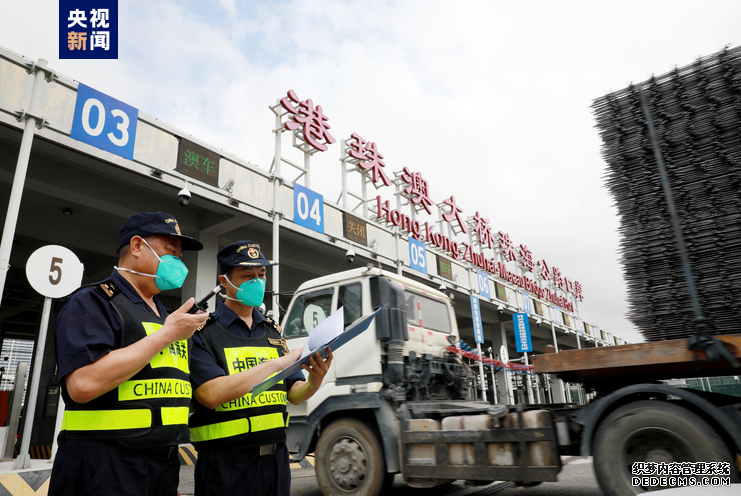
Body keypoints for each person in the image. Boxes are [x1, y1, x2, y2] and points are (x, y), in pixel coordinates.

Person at [48, 212, 210, 496]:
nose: (179, 263)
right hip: (105, 464)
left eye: (180, 257)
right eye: (171, 253)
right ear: (137, 247)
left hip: (163, 465)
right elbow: (82, 385)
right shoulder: (94, 302)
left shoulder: (168, 317)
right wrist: (167, 334)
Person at [189, 240, 333, 496]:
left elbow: (293, 392)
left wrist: (314, 381)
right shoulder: (202, 332)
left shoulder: (272, 331)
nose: (257, 281)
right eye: (248, 276)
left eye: (261, 275)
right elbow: (209, 395)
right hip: (226, 465)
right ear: (224, 281)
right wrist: (276, 364)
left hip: (276, 462)